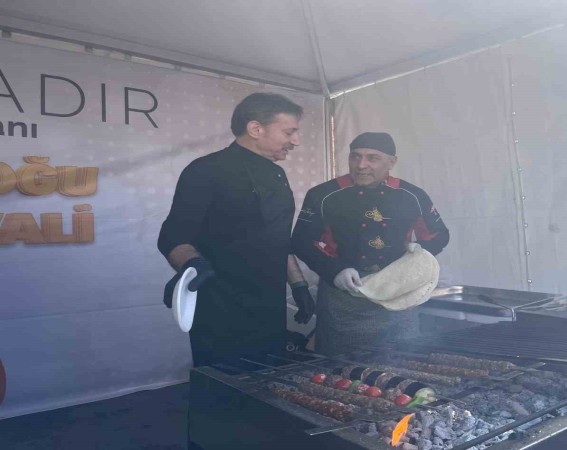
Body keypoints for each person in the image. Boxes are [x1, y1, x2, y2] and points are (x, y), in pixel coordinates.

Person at [158, 92, 315, 367]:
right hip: (220, 307)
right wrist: (192, 265)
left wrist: (299, 285)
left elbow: (279, 239)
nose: (296, 141)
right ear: (255, 129)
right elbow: (173, 237)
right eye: (289, 132)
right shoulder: (206, 170)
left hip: (269, 305)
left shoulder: (277, 174)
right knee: (225, 384)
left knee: (268, 380)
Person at [292, 132, 449, 355]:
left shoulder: (412, 195)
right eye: (355, 156)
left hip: (398, 291)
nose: (361, 165)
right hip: (343, 296)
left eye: (372, 158)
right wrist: (335, 270)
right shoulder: (324, 194)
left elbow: (438, 234)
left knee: (401, 359)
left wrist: (420, 253)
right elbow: (302, 241)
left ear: (391, 162)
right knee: (339, 364)